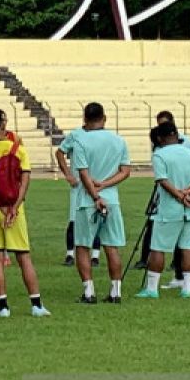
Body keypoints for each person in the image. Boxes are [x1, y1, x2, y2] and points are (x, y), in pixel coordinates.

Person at [0, 108, 50, 319]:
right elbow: (25, 179)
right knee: (23, 256)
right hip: (14, 211)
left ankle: (3, 306)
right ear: (2, 124)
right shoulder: (18, 149)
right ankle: (36, 304)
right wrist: (14, 205)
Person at [138, 111, 190, 291]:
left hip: (172, 206)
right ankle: (185, 285)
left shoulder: (165, 153)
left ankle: (152, 288)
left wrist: (181, 195)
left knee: (159, 247)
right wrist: (189, 193)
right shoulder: (189, 152)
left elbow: (163, 180)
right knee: (188, 246)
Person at [68, 103, 131, 304]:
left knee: (83, 246)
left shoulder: (81, 141)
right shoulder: (119, 141)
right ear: (104, 118)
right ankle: (116, 291)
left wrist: (95, 195)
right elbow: (125, 171)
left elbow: (84, 174)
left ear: (84, 119)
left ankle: (89, 292)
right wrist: (105, 185)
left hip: (88, 200)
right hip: (112, 199)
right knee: (112, 246)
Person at [55, 126, 102, 268]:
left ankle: (95, 256)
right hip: (79, 187)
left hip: (97, 185)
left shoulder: (103, 136)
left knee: (96, 220)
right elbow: (59, 153)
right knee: (74, 220)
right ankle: (70, 254)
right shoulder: (75, 135)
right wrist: (68, 175)